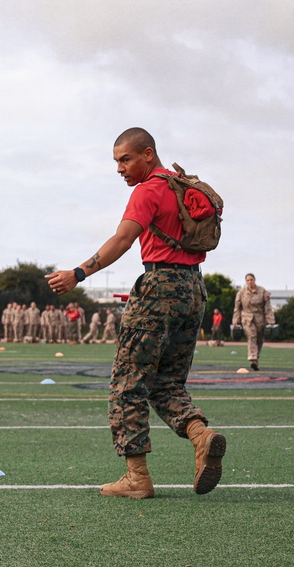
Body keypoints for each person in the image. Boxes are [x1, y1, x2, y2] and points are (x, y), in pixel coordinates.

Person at [46, 127, 226, 499]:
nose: (120, 169)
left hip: (159, 289)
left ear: (148, 154)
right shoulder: (181, 185)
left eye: (125, 159)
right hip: (193, 289)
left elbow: (123, 239)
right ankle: (200, 435)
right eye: (116, 162)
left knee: (127, 384)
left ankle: (137, 477)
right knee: (167, 382)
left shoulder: (149, 190)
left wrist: (78, 273)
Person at [232, 273, 274, 370]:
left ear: (255, 280)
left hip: (260, 318)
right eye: (248, 280)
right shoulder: (241, 293)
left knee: (259, 339)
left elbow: (268, 308)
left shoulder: (262, 291)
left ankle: (255, 358)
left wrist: (270, 320)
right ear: (246, 281)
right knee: (252, 336)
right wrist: (236, 320)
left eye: (251, 279)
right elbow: (237, 308)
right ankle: (253, 358)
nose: (250, 282)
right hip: (247, 318)